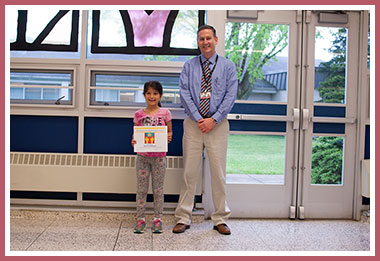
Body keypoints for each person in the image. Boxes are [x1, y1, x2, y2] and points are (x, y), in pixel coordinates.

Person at [173, 25, 238, 235]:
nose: (205, 42)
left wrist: (214, 119)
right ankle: (184, 217)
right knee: (189, 172)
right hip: (193, 125)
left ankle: (220, 218)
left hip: (218, 126)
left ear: (216, 40)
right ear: (198, 42)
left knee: (218, 174)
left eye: (208, 38)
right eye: (201, 39)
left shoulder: (227, 66)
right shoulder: (189, 66)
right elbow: (184, 93)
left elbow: (230, 95)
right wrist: (201, 118)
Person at [131, 80, 173, 234]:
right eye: (148, 93)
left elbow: (169, 132)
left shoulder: (165, 113)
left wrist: (168, 137)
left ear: (160, 95)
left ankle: (157, 219)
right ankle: (140, 219)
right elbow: (135, 134)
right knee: (141, 189)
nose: (152, 96)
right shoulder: (138, 114)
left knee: (158, 189)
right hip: (142, 157)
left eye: (155, 93)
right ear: (144, 95)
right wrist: (134, 141)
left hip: (159, 157)